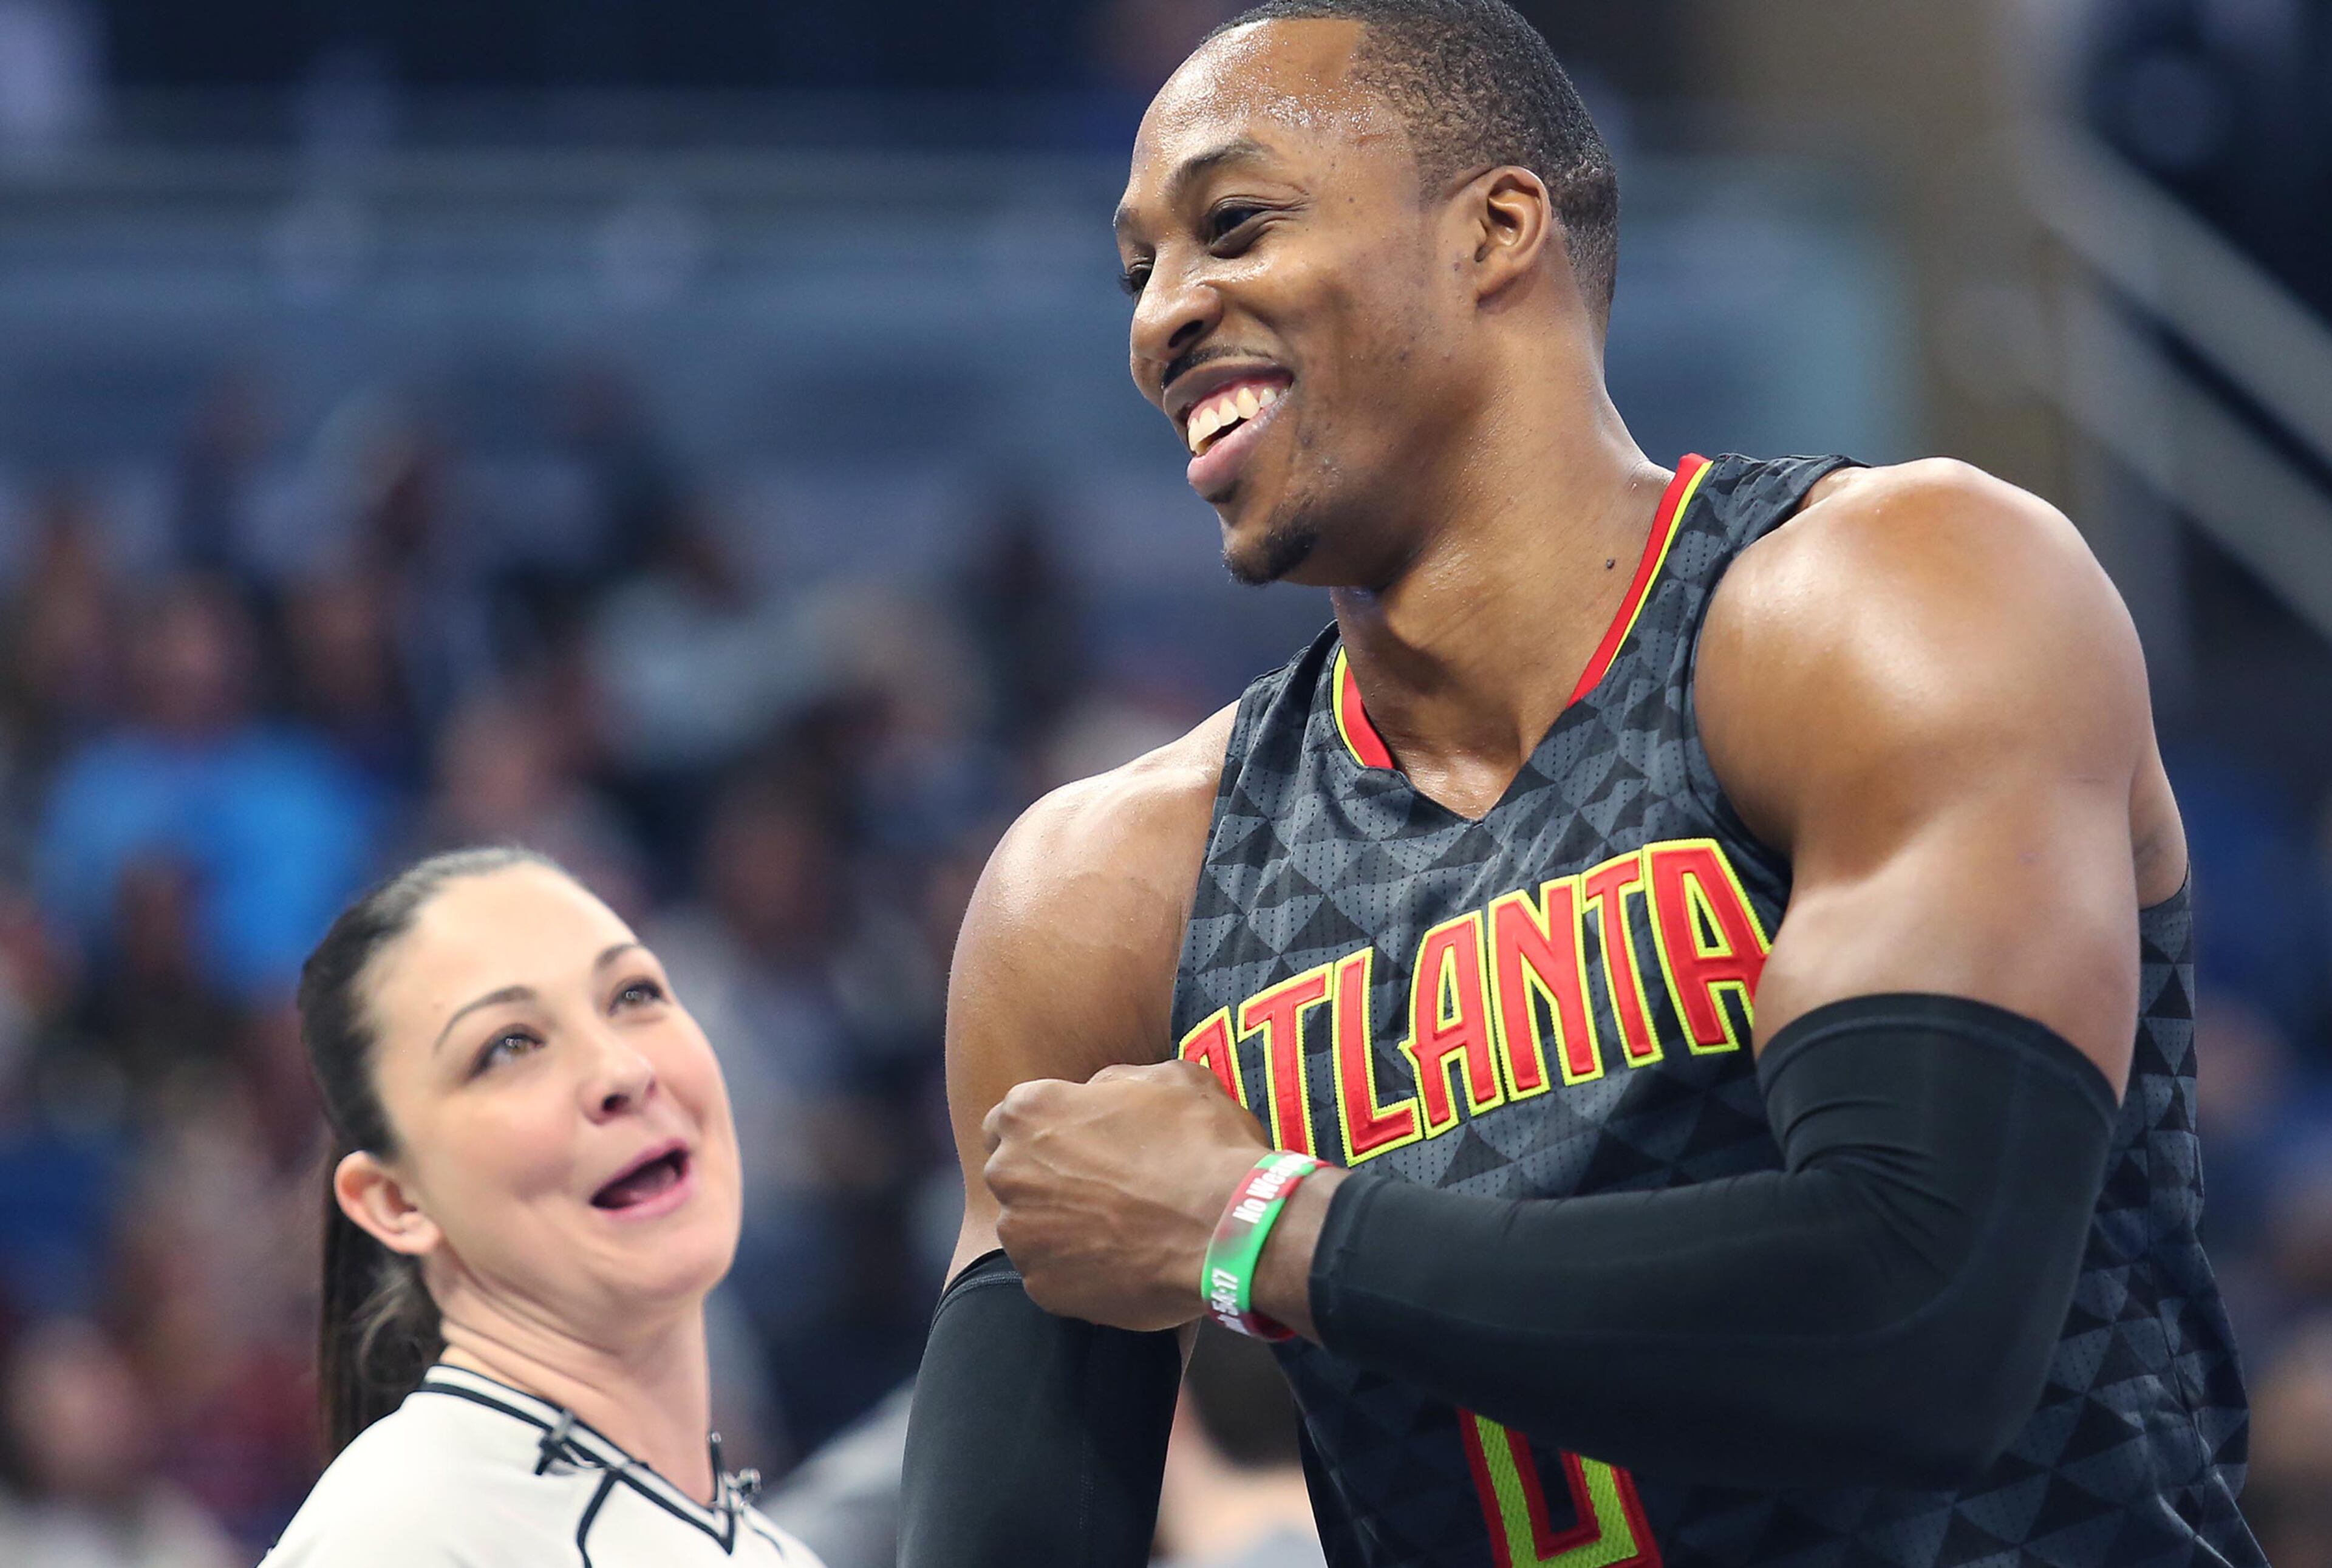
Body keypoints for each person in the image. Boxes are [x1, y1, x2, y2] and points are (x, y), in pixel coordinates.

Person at [899, 2, 2266, 1566]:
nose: (1161, 317)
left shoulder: (1887, 602)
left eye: (1235, 225)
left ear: (1494, 230)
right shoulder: (1101, 894)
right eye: (1136, 271)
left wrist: (1259, 1224)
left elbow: (1920, 1314)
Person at [263, 847, 823, 1566]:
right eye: (509, 1046)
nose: (623, 1069)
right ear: (397, 1201)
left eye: (633, 994)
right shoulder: (401, 1536)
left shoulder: (771, 1551)